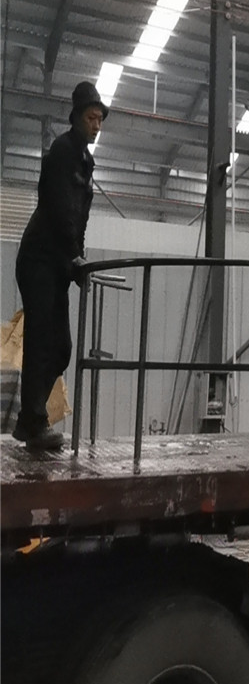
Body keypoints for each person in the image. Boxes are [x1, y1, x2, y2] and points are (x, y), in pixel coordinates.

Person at [13, 82, 103, 450]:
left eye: (99, 120)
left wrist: (75, 258)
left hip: (58, 263)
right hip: (39, 259)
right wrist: (74, 255)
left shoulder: (85, 159)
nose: (96, 125)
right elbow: (60, 208)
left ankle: (30, 418)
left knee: (61, 347)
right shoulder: (63, 152)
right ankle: (33, 422)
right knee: (41, 342)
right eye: (91, 118)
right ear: (76, 117)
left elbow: (79, 217)